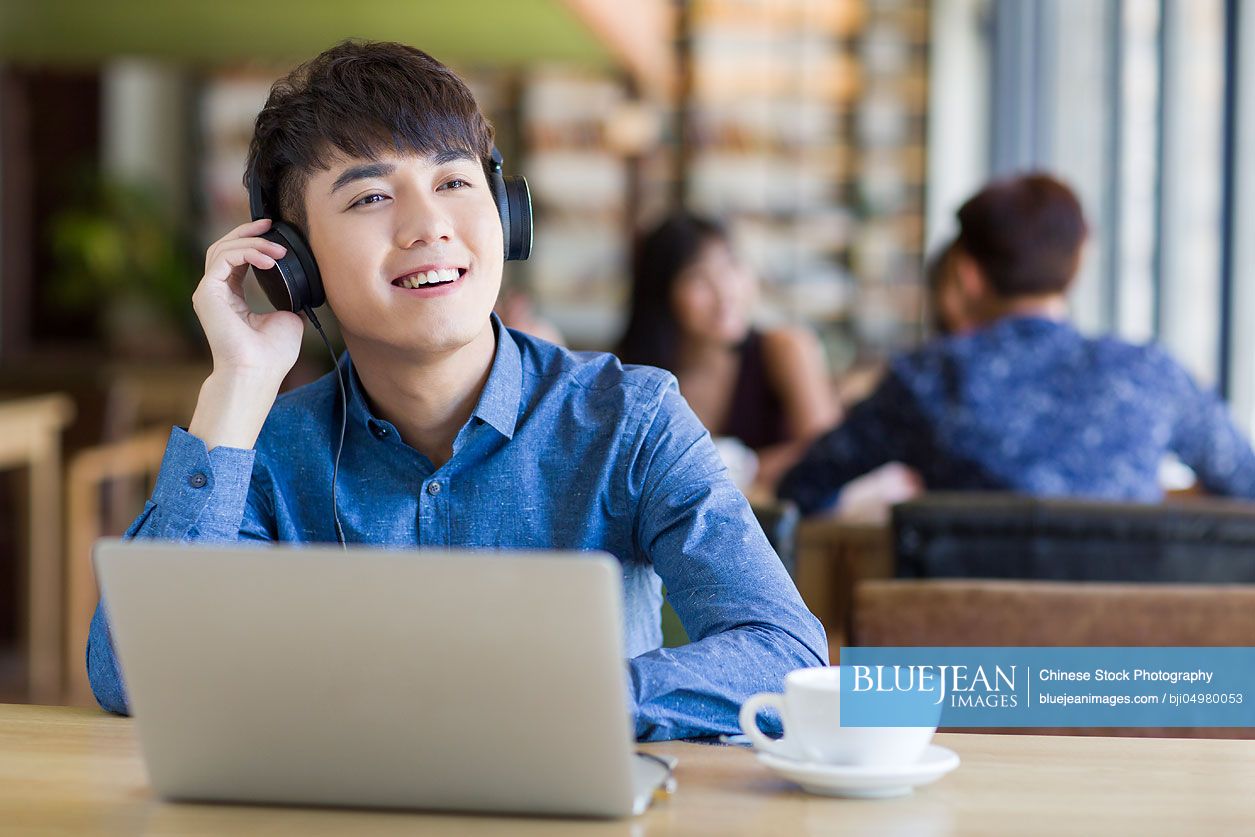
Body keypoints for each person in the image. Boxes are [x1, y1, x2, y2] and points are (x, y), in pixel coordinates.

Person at [86, 41, 827, 740]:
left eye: (452, 182)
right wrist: (237, 386)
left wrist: (565, 700)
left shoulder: (628, 417)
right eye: (370, 198)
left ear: (505, 215)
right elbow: (134, 676)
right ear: (294, 264)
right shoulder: (263, 446)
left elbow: (783, 653)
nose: (428, 225)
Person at [779, 173, 1255, 515]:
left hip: (961, 649)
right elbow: (1245, 483)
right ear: (1077, 265)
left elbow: (804, 485)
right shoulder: (1153, 374)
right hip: (1132, 650)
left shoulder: (927, 379)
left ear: (966, 275)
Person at [616, 211, 839, 491]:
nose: (725, 293)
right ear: (661, 294)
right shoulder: (634, 378)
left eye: (731, 266)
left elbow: (832, 457)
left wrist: (744, 467)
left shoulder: (784, 349)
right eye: (697, 277)